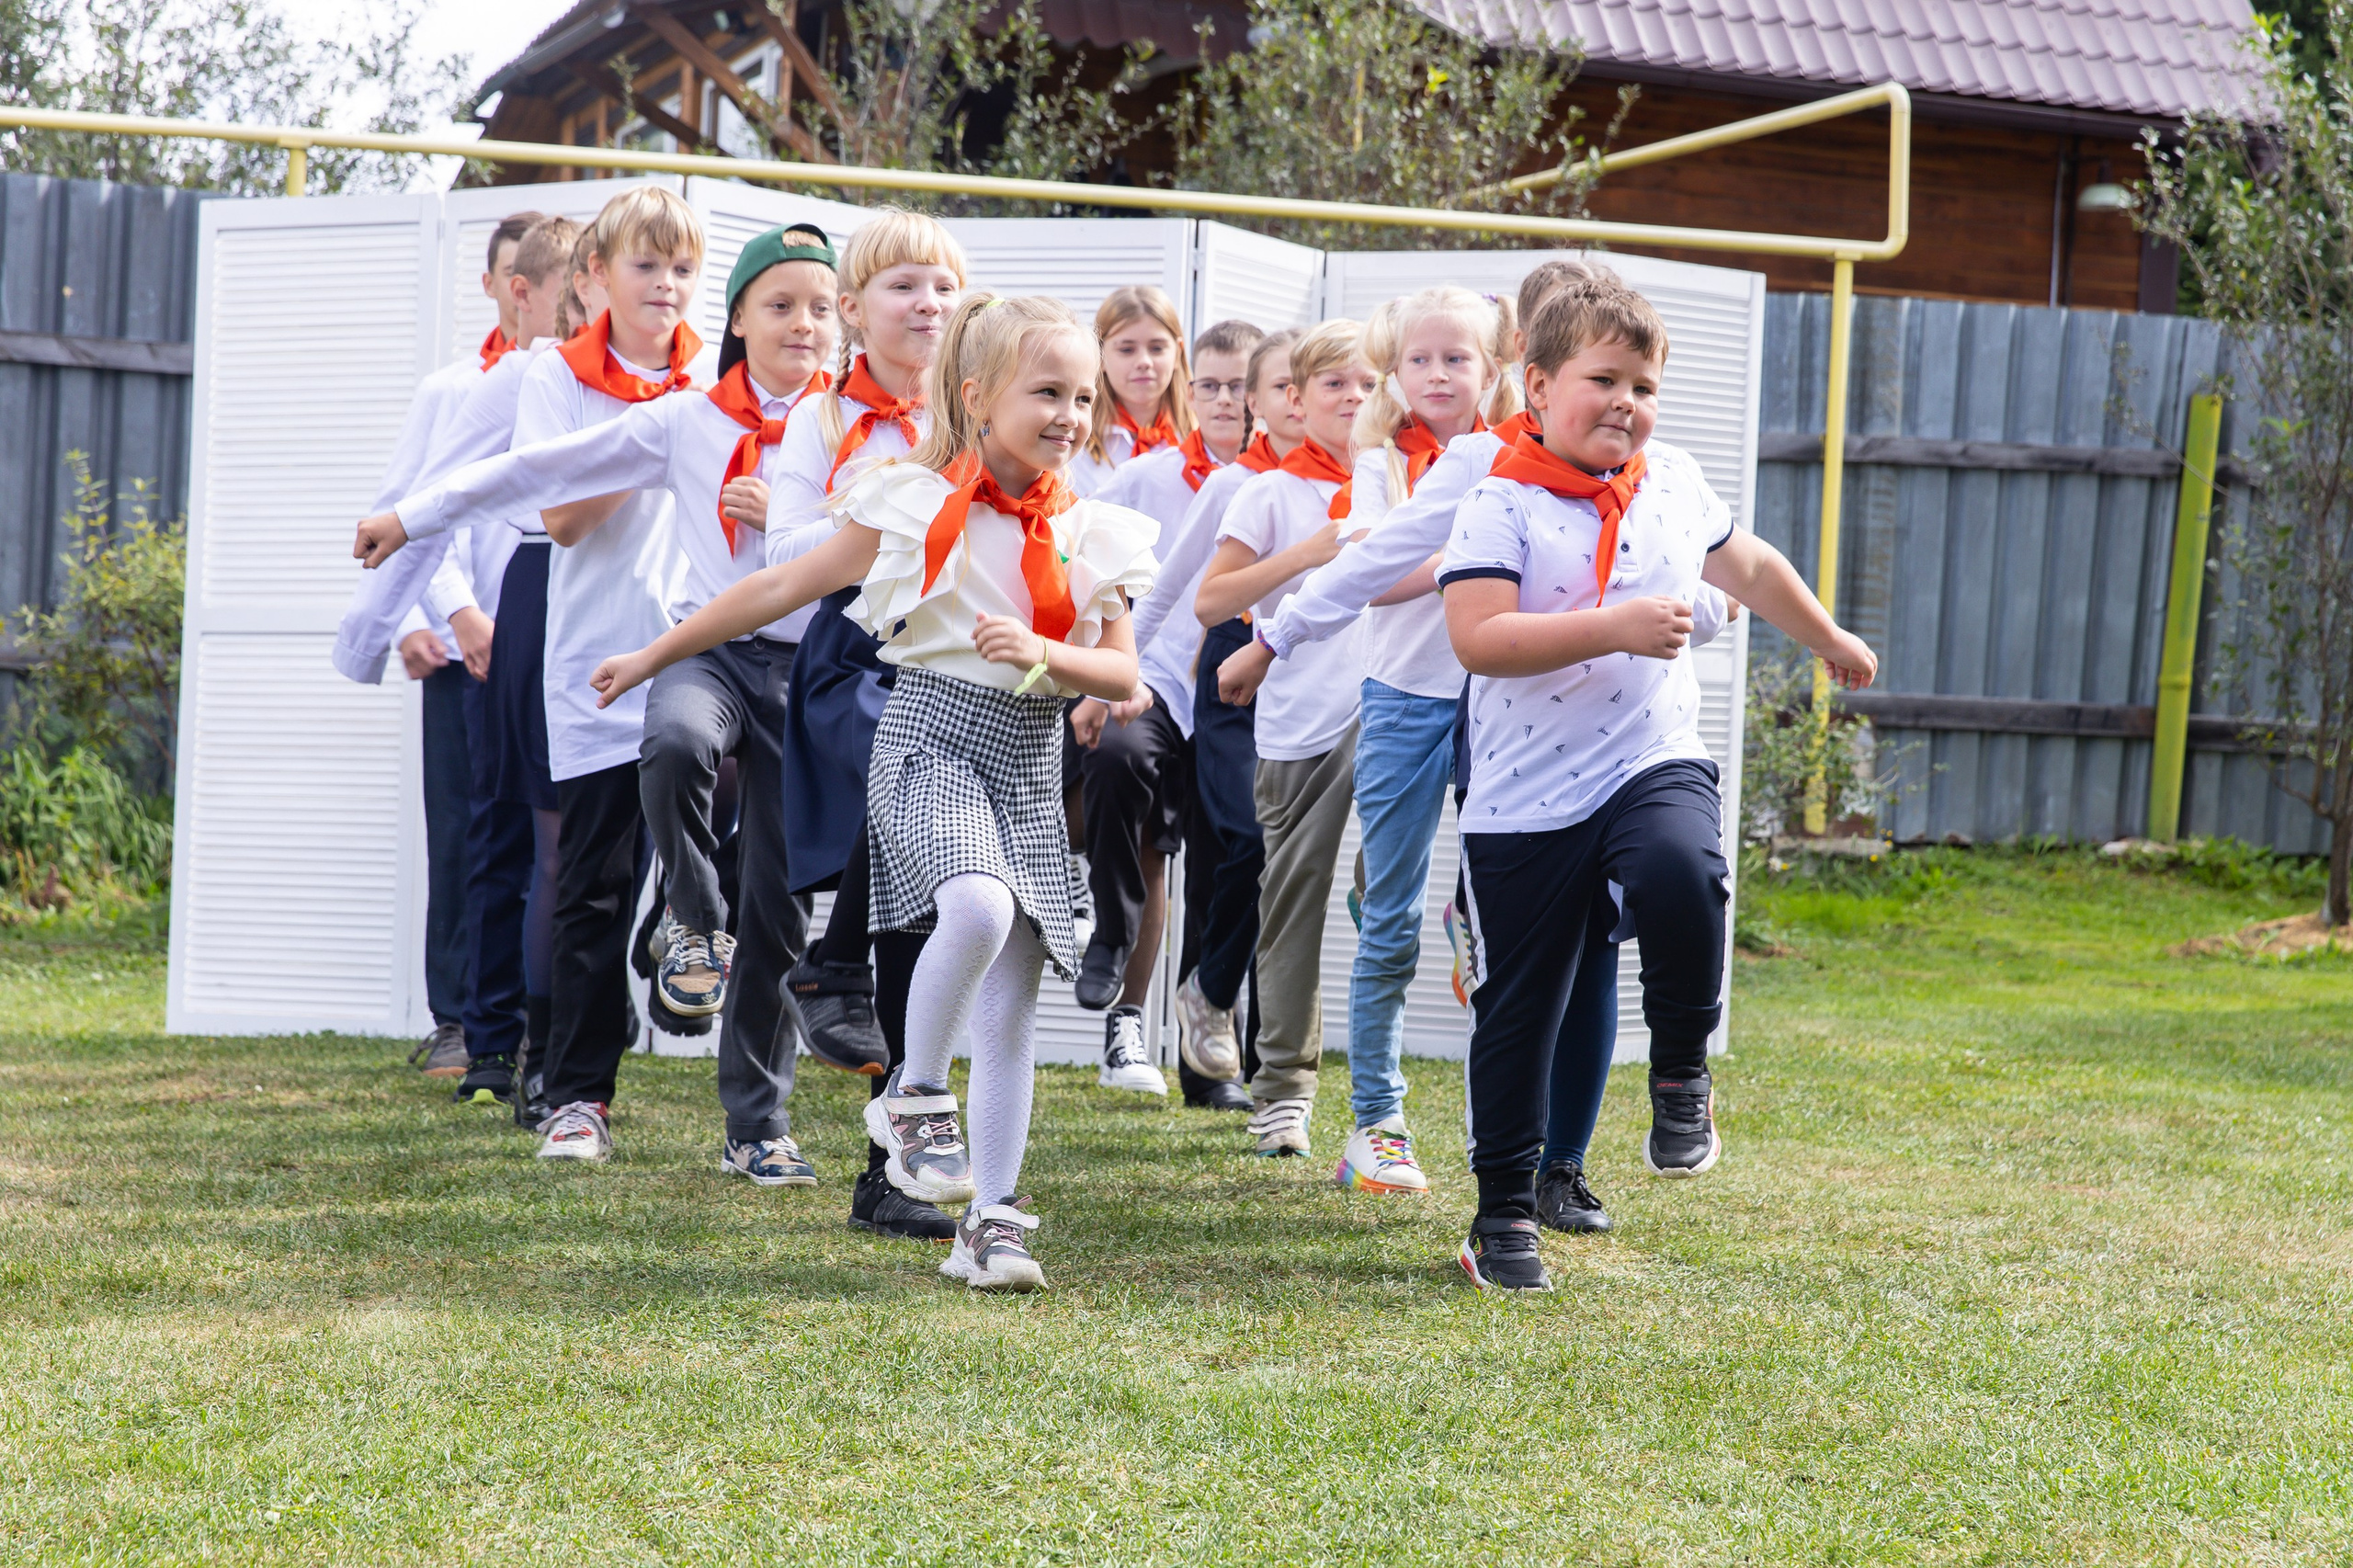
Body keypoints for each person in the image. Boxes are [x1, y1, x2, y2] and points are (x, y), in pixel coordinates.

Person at [590, 293, 1158, 1292]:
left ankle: (988, 1218)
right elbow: (778, 588)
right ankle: (915, 1095)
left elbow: (1125, 679)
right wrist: (655, 652)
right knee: (976, 907)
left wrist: (1046, 652)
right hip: (929, 738)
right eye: (1047, 391)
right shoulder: (910, 502)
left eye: (1081, 394)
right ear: (978, 397)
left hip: (1026, 754)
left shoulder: (1096, 532)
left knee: (1013, 1008)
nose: (1071, 413)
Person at [1220, 260, 1733, 1233]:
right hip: (1425, 699)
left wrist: (1687, 612)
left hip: (1561, 725)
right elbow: (1369, 560)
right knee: (1398, 907)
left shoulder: (1641, 468)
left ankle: (1561, 1163)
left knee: (1584, 948)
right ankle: (1381, 1115)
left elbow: (1707, 583)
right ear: (1532, 365)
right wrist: (1275, 637)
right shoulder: (1479, 463)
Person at [355, 220, 843, 1185]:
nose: (667, 286)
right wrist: (412, 517)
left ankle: (751, 1100)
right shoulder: (668, 407)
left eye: (682, 270)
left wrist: (783, 512)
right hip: (618, 652)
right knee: (586, 875)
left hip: (755, 655)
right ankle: (578, 1088)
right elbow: (541, 490)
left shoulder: (834, 419)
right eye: (781, 304)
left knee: (772, 883)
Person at [1440, 274, 1877, 1290]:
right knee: (1520, 1008)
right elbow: (1477, 636)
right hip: (1524, 795)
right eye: (1603, 378)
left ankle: (1680, 1068)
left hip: (1648, 756)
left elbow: (1750, 567)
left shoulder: (1673, 477)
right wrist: (1616, 625)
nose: (1626, 402)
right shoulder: (1499, 501)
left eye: (1643, 383)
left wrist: (1825, 636)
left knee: (1686, 869)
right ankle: (1503, 1208)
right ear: (1539, 386)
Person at [362, 186, 712, 1165]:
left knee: (698, 812)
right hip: (567, 619)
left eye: (682, 268)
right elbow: (558, 514)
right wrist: (663, 440)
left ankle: (681, 926)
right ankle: (550, 1067)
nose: (666, 286)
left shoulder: (712, 376)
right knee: (567, 859)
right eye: (645, 266)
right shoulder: (556, 373)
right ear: (595, 279)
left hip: (687, 629)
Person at [762, 209, 968, 1242]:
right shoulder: (822, 415)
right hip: (855, 658)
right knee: (904, 781)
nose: (925, 304)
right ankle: (830, 958)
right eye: (901, 286)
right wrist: (880, 504)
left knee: (924, 914)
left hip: (955, 653)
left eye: (940, 285)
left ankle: (885, 1170)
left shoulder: (983, 401)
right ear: (851, 310)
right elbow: (785, 546)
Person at [333, 209, 541, 1079]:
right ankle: (457, 1019)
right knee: (463, 835)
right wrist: (449, 616)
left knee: (546, 836)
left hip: (545, 646)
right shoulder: (452, 388)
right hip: (468, 648)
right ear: (498, 287)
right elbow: (410, 506)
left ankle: (531, 1017)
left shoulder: (584, 385)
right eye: (508, 275)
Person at [1064, 319, 1264, 1096]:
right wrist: (1105, 671)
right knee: (1115, 760)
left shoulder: (1282, 484)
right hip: (1158, 684)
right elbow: (1079, 545)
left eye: (1238, 386)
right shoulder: (1149, 476)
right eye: (1209, 385)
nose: (1223, 400)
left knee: (1225, 857)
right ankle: (1106, 934)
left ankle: (1206, 1058)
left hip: (1234, 695)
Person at [1194, 318, 1376, 1159]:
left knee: (1389, 900)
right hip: (1299, 724)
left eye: (1369, 384)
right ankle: (1283, 1093)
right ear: (1294, 401)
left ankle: (1381, 1100)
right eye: (1334, 383)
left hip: (1393, 709)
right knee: (1292, 903)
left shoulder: (1402, 479)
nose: (1353, 399)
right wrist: (1309, 552)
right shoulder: (1267, 492)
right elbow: (1211, 600)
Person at [1126, 327, 1301, 1111]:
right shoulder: (1235, 484)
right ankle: (1209, 998)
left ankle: (1258, 1066)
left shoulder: (1354, 486)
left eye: (1318, 383)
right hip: (1229, 677)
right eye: (1284, 387)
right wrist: (1112, 679)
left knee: (1284, 867)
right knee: (1246, 841)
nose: (1301, 401)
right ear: (1259, 404)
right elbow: (1166, 591)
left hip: (1316, 676)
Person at [1067, 285, 1191, 497]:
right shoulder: (1072, 443)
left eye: (1157, 348)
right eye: (1127, 350)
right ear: (1100, 355)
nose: (1144, 362)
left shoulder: (1198, 442)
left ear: (1178, 353)